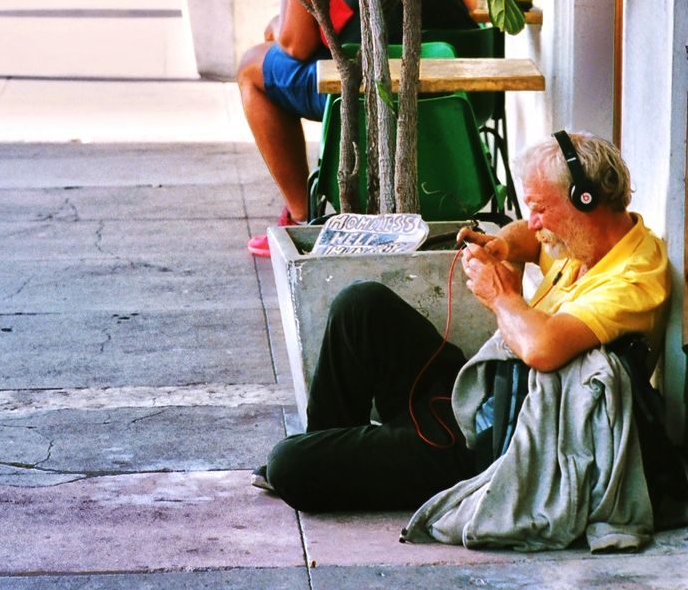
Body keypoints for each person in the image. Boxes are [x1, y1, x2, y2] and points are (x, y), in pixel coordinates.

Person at [255, 131, 671, 514]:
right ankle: (329, 452)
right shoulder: (584, 242)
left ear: (585, 201)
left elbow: (543, 349)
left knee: (288, 464)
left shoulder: (633, 277)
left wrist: (501, 296)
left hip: (491, 445)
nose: (536, 223)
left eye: (542, 209)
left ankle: (317, 461)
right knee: (360, 305)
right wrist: (503, 244)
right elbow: (528, 235)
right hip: (484, 398)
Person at [238, 0, 477, 254]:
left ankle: (302, 217)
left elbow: (296, 45)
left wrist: (275, 22)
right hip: (453, 88)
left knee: (251, 68)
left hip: (365, 92)